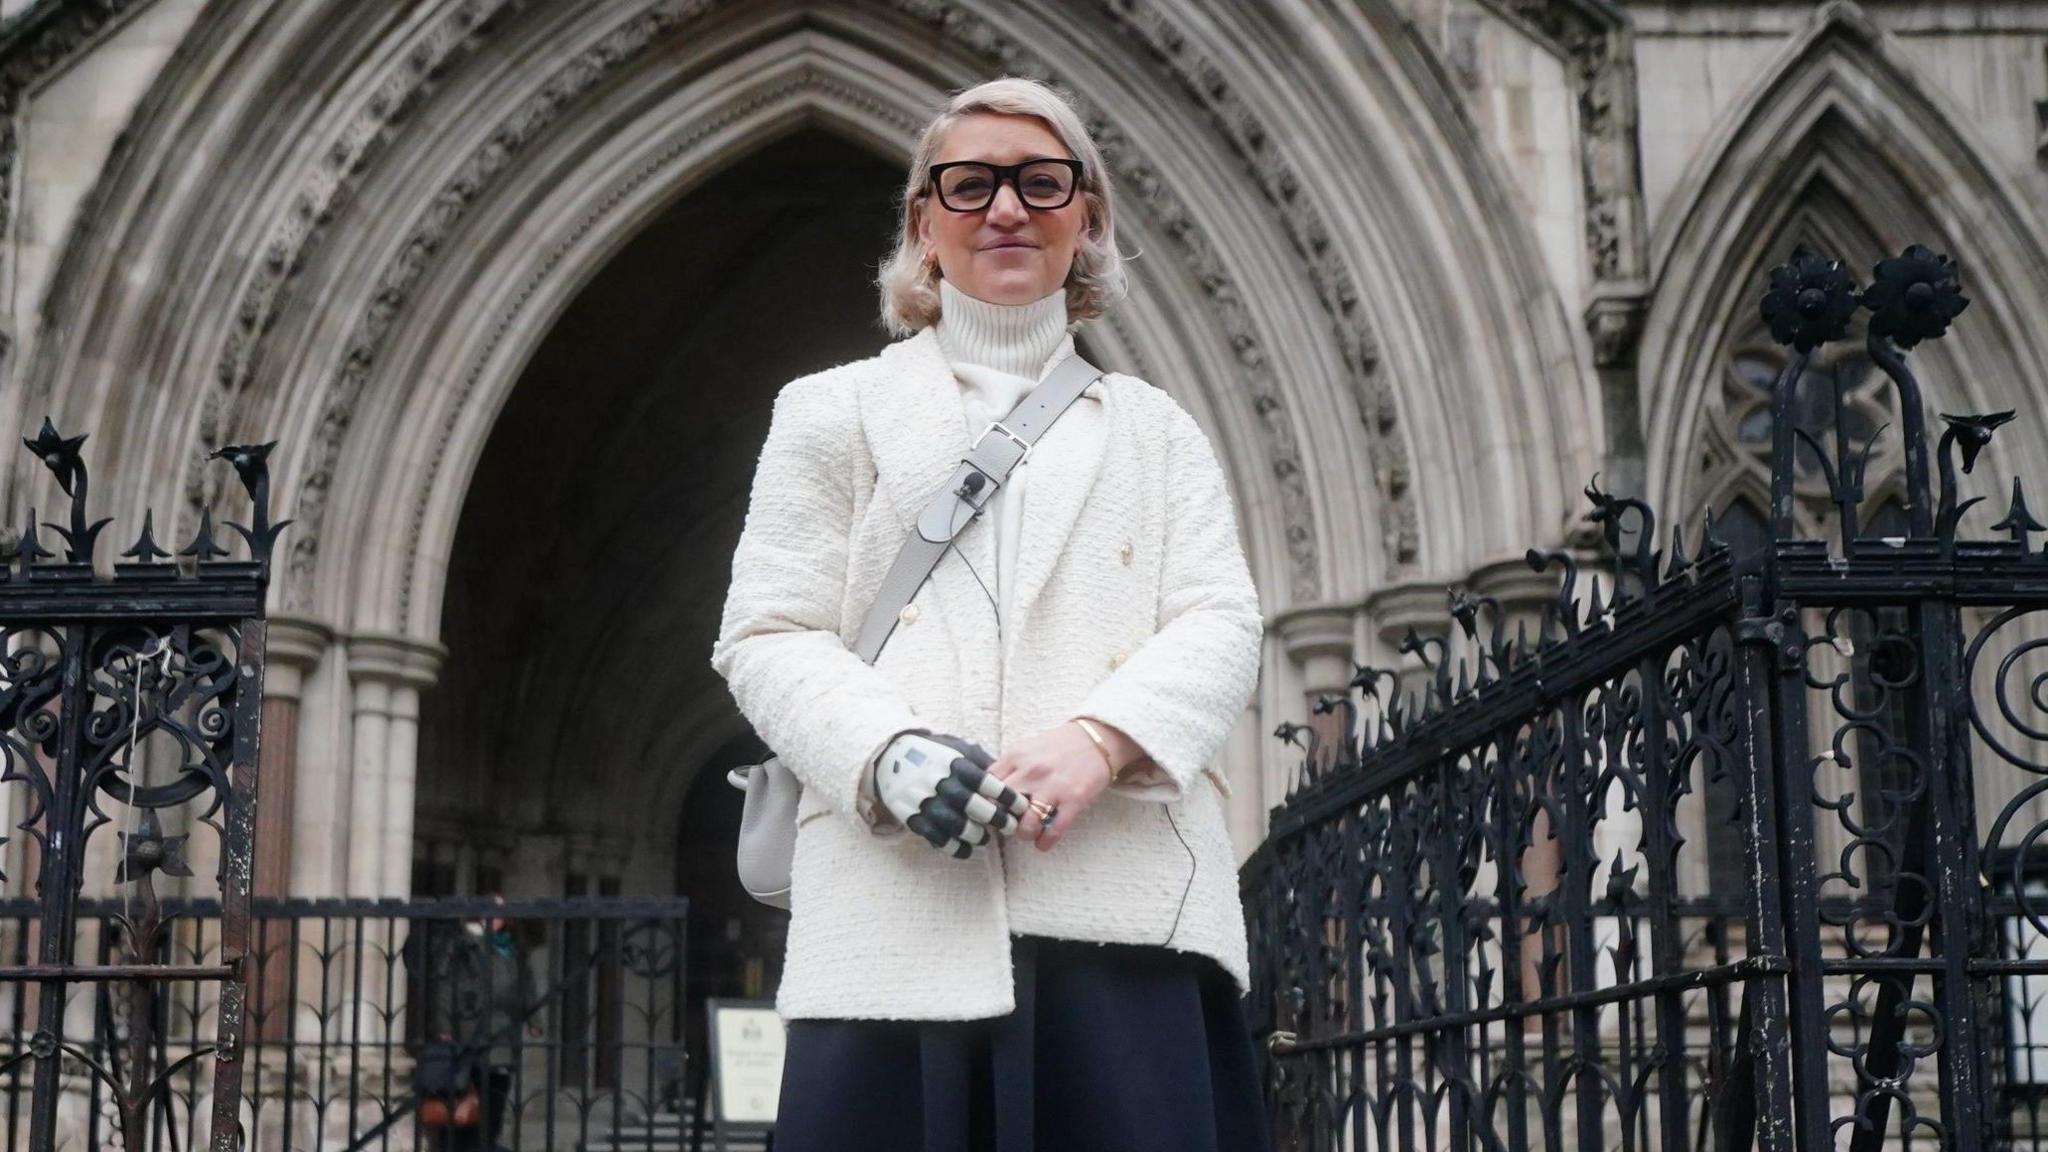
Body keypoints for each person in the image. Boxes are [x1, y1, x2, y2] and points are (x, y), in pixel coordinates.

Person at [710, 76, 1269, 1151]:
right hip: (889, 920)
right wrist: (887, 756)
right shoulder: (828, 411)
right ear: (923, 224)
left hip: (1122, 915)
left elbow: (1219, 621)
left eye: (1039, 182)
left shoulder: (1159, 431)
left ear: (1086, 218)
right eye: (967, 186)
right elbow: (766, 632)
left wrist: (1102, 740)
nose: (1004, 209)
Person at [416, 898, 539, 1152]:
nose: (495, 917)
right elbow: (445, 985)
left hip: (503, 1034)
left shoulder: (513, 948)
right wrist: (444, 1026)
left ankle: (485, 1144)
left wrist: (534, 1019)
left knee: (495, 1098)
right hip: (469, 1034)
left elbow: (527, 985)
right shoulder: (464, 944)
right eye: (490, 911)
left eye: (501, 912)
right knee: (463, 1100)